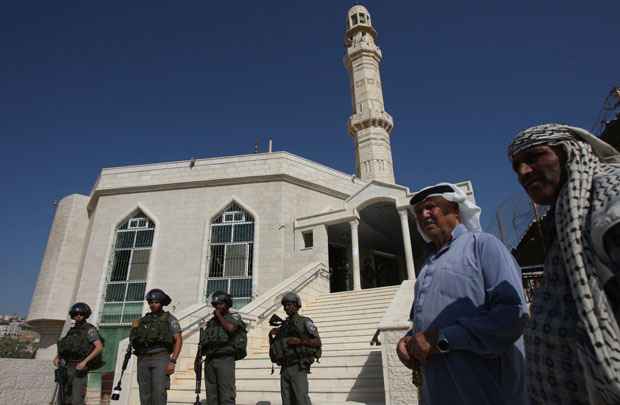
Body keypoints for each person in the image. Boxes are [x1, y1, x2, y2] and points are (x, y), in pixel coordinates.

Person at [508, 123, 620, 405]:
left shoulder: (609, 192)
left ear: (570, 152)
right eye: (517, 166)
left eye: (534, 158)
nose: (523, 172)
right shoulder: (566, 215)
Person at [396, 182, 529, 405]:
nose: (424, 215)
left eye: (431, 207)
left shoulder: (483, 246)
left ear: (455, 209)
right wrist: (409, 339)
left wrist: (442, 339)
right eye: (418, 211)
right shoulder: (428, 265)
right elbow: (432, 322)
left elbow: (512, 315)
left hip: (484, 390)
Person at [130, 288, 182, 405]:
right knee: (144, 394)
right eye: (151, 302)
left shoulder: (169, 319)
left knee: (159, 393)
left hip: (160, 357)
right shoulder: (141, 320)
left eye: (156, 302)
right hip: (143, 358)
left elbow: (178, 340)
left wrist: (173, 361)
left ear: (162, 303)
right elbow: (133, 337)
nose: (153, 305)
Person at [269, 292, 321, 405]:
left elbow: (317, 342)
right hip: (284, 368)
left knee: (301, 399)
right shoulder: (283, 326)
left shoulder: (305, 321)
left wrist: (301, 341)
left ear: (297, 305)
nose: (287, 307)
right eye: (285, 305)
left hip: (298, 366)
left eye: (290, 304)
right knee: (286, 400)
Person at [200, 291, 247, 405]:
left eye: (220, 304)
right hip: (210, 359)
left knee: (226, 395)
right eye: (215, 305)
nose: (218, 307)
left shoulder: (233, 317)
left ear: (227, 304)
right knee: (212, 396)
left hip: (225, 358)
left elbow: (231, 329)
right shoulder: (211, 322)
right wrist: (198, 359)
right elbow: (203, 342)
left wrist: (219, 316)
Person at [54, 302, 104, 405]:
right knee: (63, 399)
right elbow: (65, 346)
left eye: (81, 314)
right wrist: (57, 357)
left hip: (79, 367)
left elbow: (99, 347)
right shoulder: (71, 331)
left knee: (77, 399)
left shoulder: (89, 330)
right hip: (66, 366)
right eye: (76, 314)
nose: (79, 316)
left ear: (85, 315)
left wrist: (85, 362)